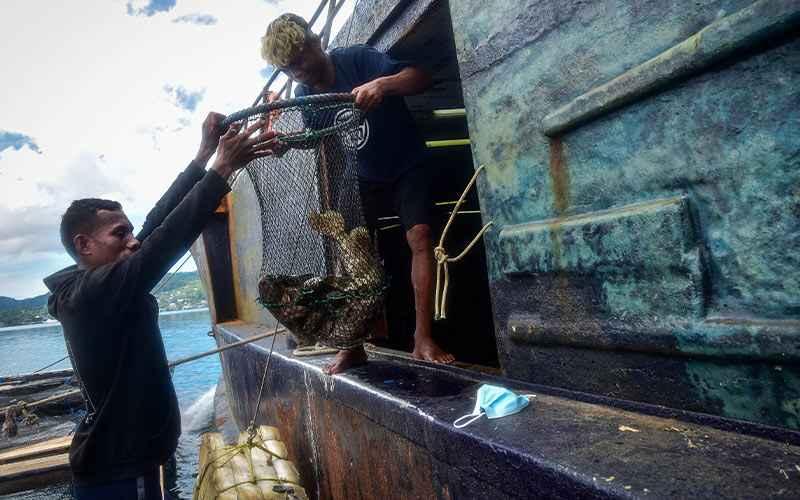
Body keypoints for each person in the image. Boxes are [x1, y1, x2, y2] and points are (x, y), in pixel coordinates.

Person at [43, 114, 276, 499]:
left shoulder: (98, 285)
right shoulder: (89, 295)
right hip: (119, 473)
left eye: (131, 231)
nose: (133, 240)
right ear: (84, 245)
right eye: (120, 233)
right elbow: (161, 244)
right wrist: (222, 169)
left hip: (123, 466)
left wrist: (202, 156)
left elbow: (155, 224)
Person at [260, 13, 456, 375]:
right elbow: (315, 136)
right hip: (364, 177)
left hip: (406, 163)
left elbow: (421, 77)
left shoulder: (357, 59)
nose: (297, 72)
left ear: (315, 41)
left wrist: (383, 84)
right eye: (287, 69)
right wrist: (286, 144)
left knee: (420, 237)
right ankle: (354, 347)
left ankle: (423, 338)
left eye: (300, 59)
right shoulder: (304, 96)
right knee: (352, 253)